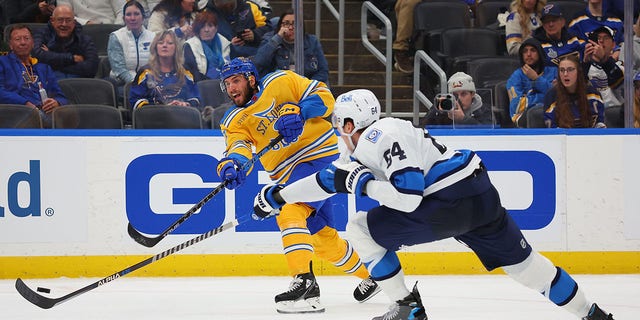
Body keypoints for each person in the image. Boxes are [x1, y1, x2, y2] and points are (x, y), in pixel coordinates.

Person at [251, 88, 616, 320]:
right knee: (529, 270)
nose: (335, 131)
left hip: (448, 200)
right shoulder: (370, 144)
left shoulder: (380, 134)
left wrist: (364, 186)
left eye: (337, 124)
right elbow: (325, 180)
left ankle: (408, 306)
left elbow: (408, 199)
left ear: (350, 122)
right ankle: (593, 314)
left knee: (360, 229)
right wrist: (277, 195)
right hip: (479, 194)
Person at [216, 57, 380, 313]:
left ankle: (305, 283)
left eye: (236, 81)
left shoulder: (282, 80)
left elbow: (326, 98)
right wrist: (233, 164)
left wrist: (301, 110)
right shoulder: (233, 119)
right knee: (323, 239)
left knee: (289, 210)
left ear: (250, 78)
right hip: (288, 175)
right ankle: (374, 276)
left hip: (319, 158)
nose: (231, 88)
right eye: (227, 84)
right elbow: (238, 146)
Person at [0, 24, 67, 128]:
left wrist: (56, 102)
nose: (23, 42)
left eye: (26, 38)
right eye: (18, 39)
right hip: (15, 113)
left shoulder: (44, 68)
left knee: (70, 113)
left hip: (45, 113)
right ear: (10, 45)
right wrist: (25, 103)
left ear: (32, 43)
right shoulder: (2, 63)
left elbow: (60, 95)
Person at [129, 30, 201, 109]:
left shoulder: (186, 72)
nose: (164, 46)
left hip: (182, 116)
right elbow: (135, 101)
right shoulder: (145, 73)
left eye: (170, 43)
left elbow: (196, 97)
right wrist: (161, 108)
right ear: (155, 47)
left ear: (176, 48)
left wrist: (186, 104)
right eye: (160, 43)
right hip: (154, 119)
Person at [253, 9, 329, 84]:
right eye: (286, 23)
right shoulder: (270, 39)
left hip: (306, 85)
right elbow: (258, 63)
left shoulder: (312, 41)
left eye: (294, 24)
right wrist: (278, 37)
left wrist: (309, 86)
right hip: (278, 85)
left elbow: (323, 70)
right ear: (280, 25)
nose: (290, 28)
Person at [32, 3, 99, 79]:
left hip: (79, 85)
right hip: (50, 83)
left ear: (74, 22)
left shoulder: (84, 40)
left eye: (68, 20)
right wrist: (71, 58)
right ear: (52, 20)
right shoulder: (41, 35)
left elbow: (91, 69)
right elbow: (37, 56)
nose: (64, 24)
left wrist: (51, 59)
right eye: (60, 20)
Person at [107, 0, 155, 98]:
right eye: (129, 14)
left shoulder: (153, 37)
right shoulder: (116, 37)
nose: (133, 18)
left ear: (143, 17)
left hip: (148, 82)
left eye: (136, 14)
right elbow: (119, 69)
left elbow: (156, 65)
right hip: (123, 84)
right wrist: (137, 83)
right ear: (124, 18)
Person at [543, 54, 605, 128]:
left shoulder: (593, 95)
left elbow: (600, 125)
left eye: (570, 70)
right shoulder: (551, 96)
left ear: (578, 72)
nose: (565, 74)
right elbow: (552, 130)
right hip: (563, 138)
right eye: (562, 70)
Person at [507, 37, 557, 127]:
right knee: (536, 114)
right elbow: (516, 106)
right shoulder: (516, 76)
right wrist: (546, 93)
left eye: (533, 50)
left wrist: (537, 79)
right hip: (524, 119)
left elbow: (560, 97)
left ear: (540, 53)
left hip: (554, 114)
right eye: (525, 51)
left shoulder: (554, 71)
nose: (528, 54)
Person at [422, 71, 494, 127]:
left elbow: (488, 132)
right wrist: (437, 113)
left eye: (463, 94)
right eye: (455, 95)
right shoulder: (443, 107)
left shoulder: (483, 110)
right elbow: (422, 128)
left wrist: (463, 119)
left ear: (472, 94)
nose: (459, 98)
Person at [206, 0, 272, 58]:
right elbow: (206, 43)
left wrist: (254, 34)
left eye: (230, 3)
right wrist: (228, 44)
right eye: (224, 3)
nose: (228, 6)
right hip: (226, 55)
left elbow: (268, 28)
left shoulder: (250, 7)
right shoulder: (206, 14)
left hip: (254, 49)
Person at [183, 10, 231, 82]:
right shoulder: (190, 45)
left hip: (227, 81)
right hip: (203, 84)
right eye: (202, 27)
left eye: (210, 25)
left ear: (216, 28)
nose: (206, 30)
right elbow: (194, 73)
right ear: (198, 29)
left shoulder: (225, 42)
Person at [582, 26, 624, 108]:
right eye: (598, 38)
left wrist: (604, 59)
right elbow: (578, 87)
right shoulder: (585, 66)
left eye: (606, 38)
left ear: (613, 44)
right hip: (592, 112)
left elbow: (617, 82)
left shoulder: (620, 66)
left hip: (615, 112)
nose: (601, 41)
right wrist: (585, 63)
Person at [57, 0, 125, 25]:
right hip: (81, 30)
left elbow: (122, 10)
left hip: (110, 26)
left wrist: (116, 29)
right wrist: (86, 23)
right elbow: (63, 15)